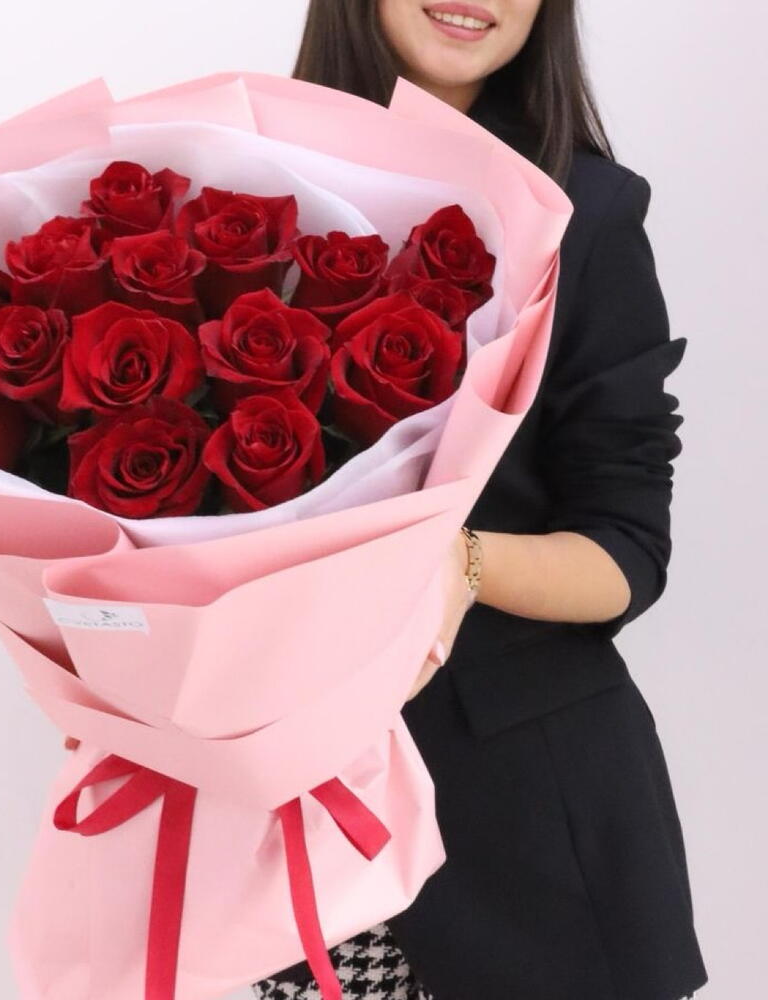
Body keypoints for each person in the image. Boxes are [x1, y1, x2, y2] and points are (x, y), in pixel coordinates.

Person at [250, 2, 709, 999]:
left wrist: (459, 565)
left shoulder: (582, 212)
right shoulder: (235, 184)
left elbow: (628, 549)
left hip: (527, 847)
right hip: (280, 838)